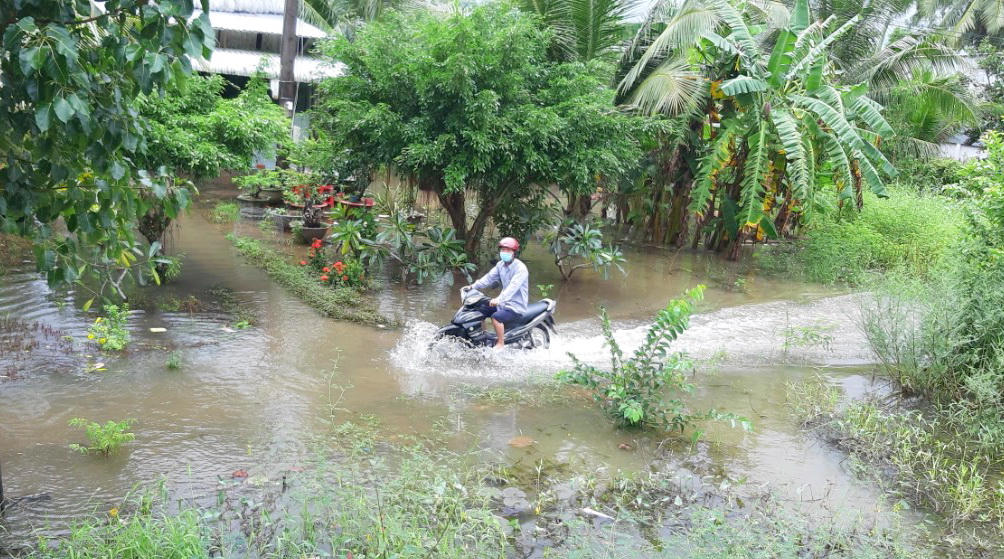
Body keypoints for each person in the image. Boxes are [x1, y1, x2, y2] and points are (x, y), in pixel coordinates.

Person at [469, 237, 528, 349]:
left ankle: (501, 343)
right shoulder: (500, 265)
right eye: (503, 250)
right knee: (479, 310)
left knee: (496, 317)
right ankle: (483, 337)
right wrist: (472, 287)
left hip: (515, 306)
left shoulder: (521, 269)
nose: (504, 252)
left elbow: (512, 287)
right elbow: (488, 278)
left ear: (514, 252)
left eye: (508, 250)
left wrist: (499, 299)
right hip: (503, 303)